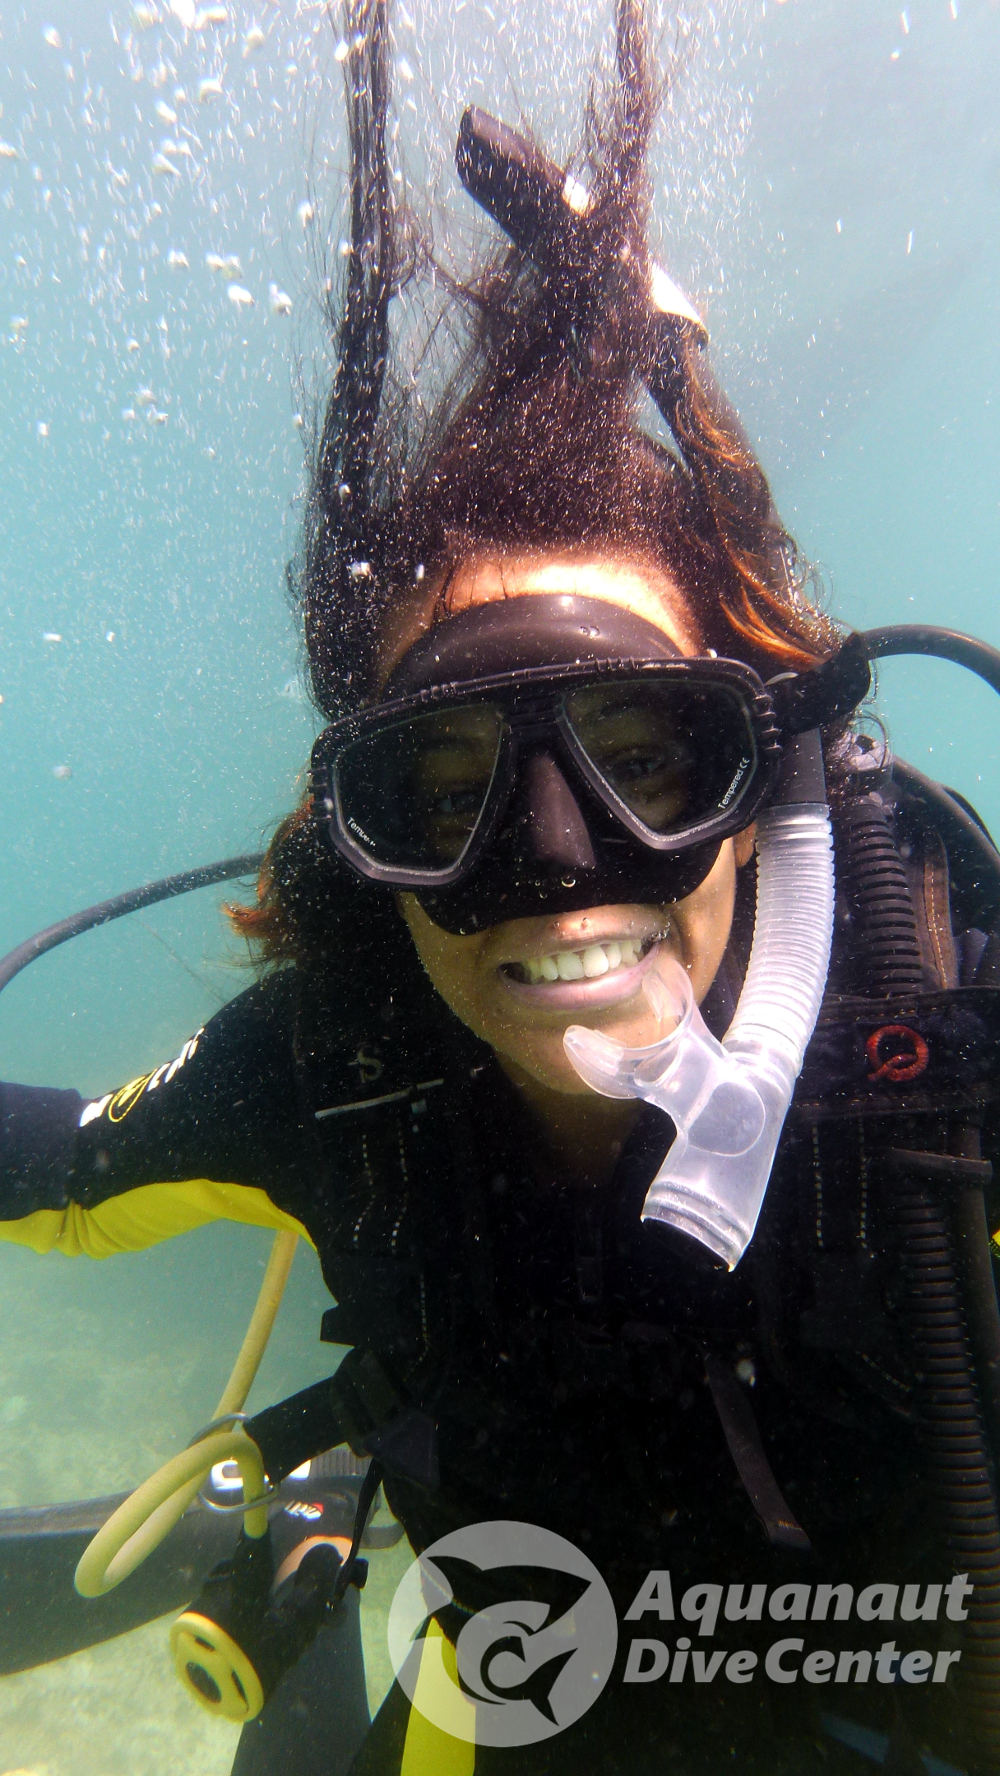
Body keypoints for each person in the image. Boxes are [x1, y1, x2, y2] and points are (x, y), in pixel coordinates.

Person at [3, 2, 1000, 1772]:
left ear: (768, 777)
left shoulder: (946, 1022)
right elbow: (61, 1163)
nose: (551, 868)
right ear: (353, 833)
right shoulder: (344, 1068)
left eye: (651, 754)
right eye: (439, 791)